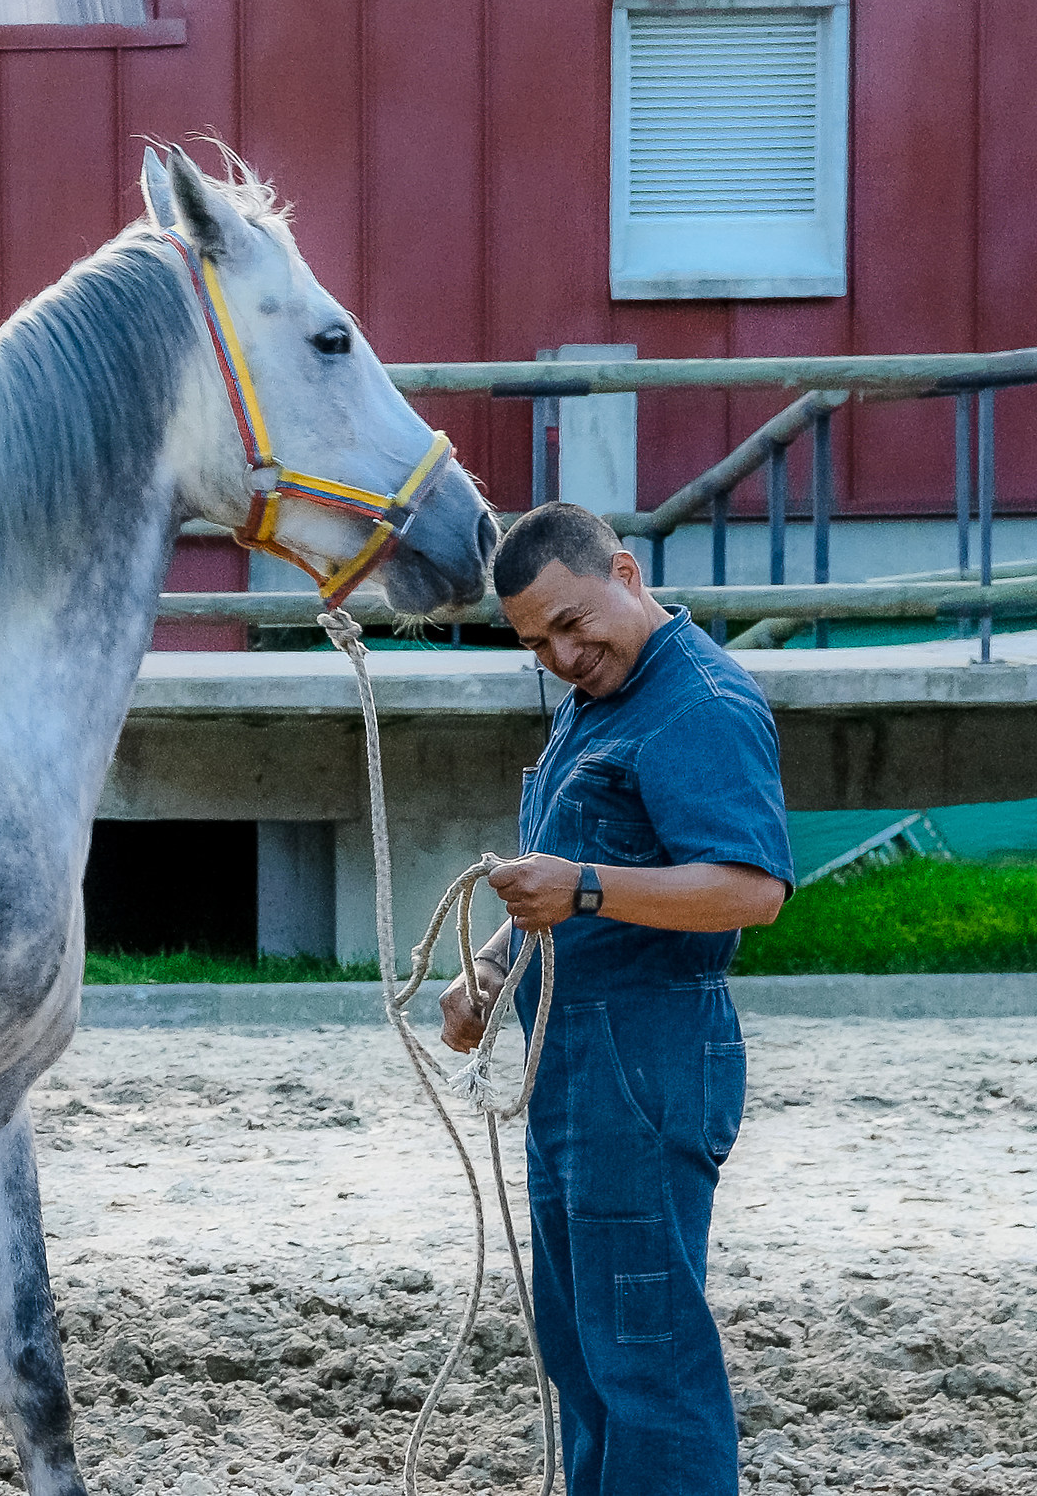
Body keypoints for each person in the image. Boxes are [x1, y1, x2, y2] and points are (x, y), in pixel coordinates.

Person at [439, 502, 793, 1496]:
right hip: (574, 1061)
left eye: (571, 622)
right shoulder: (601, 697)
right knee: (584, 1354)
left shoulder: (702, 704)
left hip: (647, 1055)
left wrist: (583, 887)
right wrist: (494, 969)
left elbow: (753, 887)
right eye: (534, 641)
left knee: (647, 1360)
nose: (560, 652)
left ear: (626, 573)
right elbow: (567, 880)